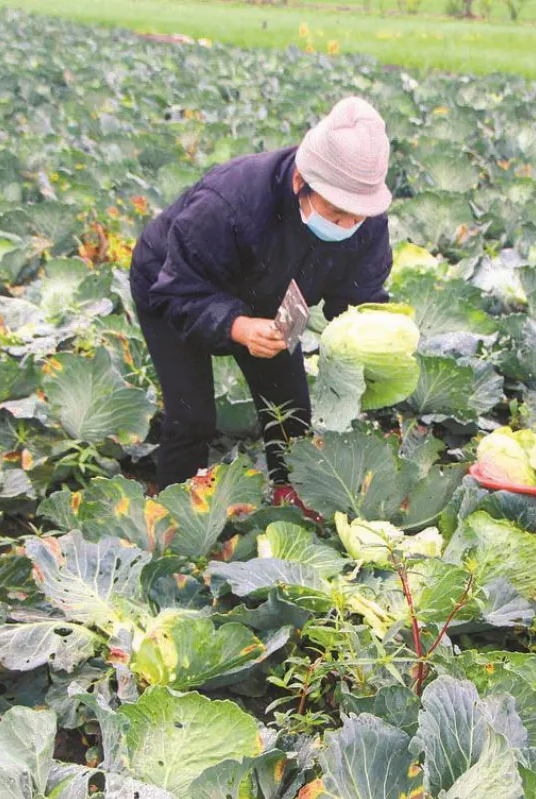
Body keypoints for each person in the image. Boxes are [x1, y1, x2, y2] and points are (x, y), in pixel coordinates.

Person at [129, 97, 394, 506]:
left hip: (271, 299)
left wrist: (372, 346)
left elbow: (360, 297)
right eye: (337, 211)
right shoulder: (228, 202)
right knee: (192, 417)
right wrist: (238, 327)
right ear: (300, 182)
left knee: (289, 414)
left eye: (357, 215)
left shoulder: (365, 219)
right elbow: (178, 289)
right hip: (173, 281)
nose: (347, 224)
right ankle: (172, 517)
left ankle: (294, 503)